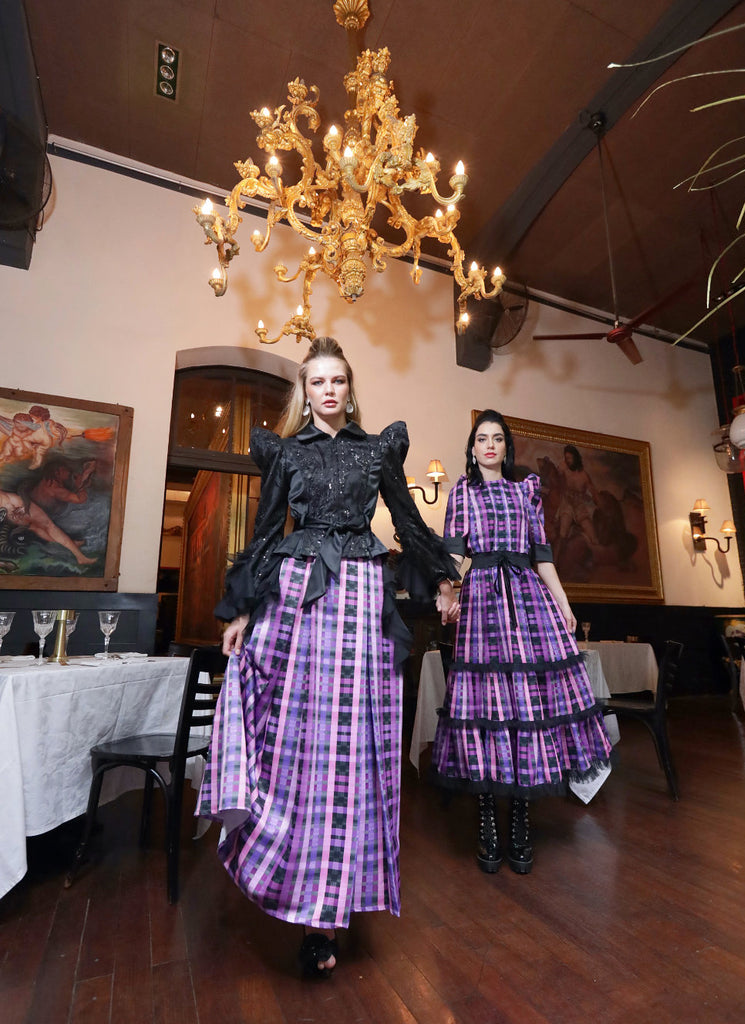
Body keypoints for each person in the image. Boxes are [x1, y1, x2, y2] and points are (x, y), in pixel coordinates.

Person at [196, 336, 459, 977]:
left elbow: (408, 521)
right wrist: (240, 612)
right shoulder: (286, 453)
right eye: (317, 382)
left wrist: (443, 577)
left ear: (349, 388)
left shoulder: (377, 450)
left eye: (337, 380)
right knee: (300, 741)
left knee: (351, 748)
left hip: (363, 593)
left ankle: (330, 912)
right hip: (298, 592)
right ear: (305, 393)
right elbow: (266, 535)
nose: (329, 390)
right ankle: (288, 873)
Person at [430, 410, 612, 874]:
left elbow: (542, 555)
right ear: (472, 448)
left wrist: (564, 603)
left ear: (506, 448)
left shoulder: (525, 490)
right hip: (482, 602)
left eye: (497, 438)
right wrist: (446, 592)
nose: (489, 445)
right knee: (487, 709)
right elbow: (454, 554)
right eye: (481, 438)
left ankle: (519, 820)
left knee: (527, 709)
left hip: (528, 601)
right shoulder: (462, 493)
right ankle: (488, 821)